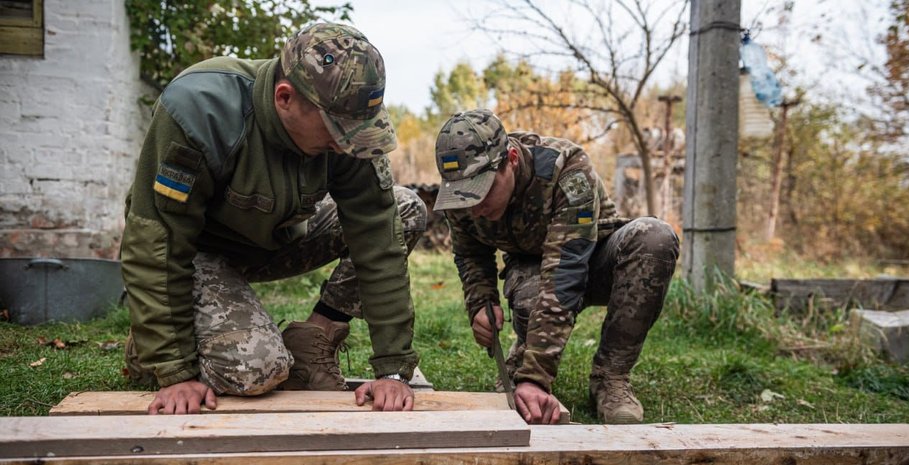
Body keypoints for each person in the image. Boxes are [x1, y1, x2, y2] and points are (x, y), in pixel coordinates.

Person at [120, 23, 424, 415]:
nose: (346, 143)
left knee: (405, 208)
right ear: (285, 98)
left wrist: (393, 370)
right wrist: (174, 369)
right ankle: (155, 346)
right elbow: (158, 239)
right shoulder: (201, 108)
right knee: (257, 368)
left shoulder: (350, 128)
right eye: (337, 130)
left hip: (277, 238)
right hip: (198, 255)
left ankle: (312, 339)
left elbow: (377, 236)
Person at [433, 109, 679, 424]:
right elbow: (470, 254)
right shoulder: (461, 192)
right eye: (464, 197)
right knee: (530, 296)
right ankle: (525, 353)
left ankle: (610, 377)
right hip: (531, 268)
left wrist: (535, 378)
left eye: (483, 190)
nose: (475, 207)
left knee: (655, 238)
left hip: (594, 256)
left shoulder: (565, 168)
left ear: (511, 160)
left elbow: (565, 270)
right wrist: (481, 302)